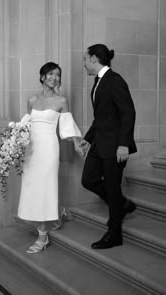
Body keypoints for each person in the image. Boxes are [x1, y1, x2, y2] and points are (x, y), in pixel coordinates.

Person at [18, 62, 84, 254]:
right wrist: (15, 142)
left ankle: (43, 236)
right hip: (32, 150)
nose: (54, 78)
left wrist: (76, 142)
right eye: (51, 74)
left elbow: (67, 125)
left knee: (45, 187)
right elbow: (26, 125)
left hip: (49, 149)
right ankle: (58, 211)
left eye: (58, 75)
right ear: (42, 76)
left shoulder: (61, 101)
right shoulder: (31, 100)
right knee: (33, 186)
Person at [81, 44, 137, 249]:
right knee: (88, 179)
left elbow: (128, 113)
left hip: (115, 147)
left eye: (85, 60)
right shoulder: (98, 82)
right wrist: (87, 139)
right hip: (99, 143)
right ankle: (122, 205)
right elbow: (101, 117)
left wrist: (123, 144)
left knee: (112, 189)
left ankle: (115, 234)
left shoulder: (114, 80)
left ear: (94, 58)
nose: (84, 64)